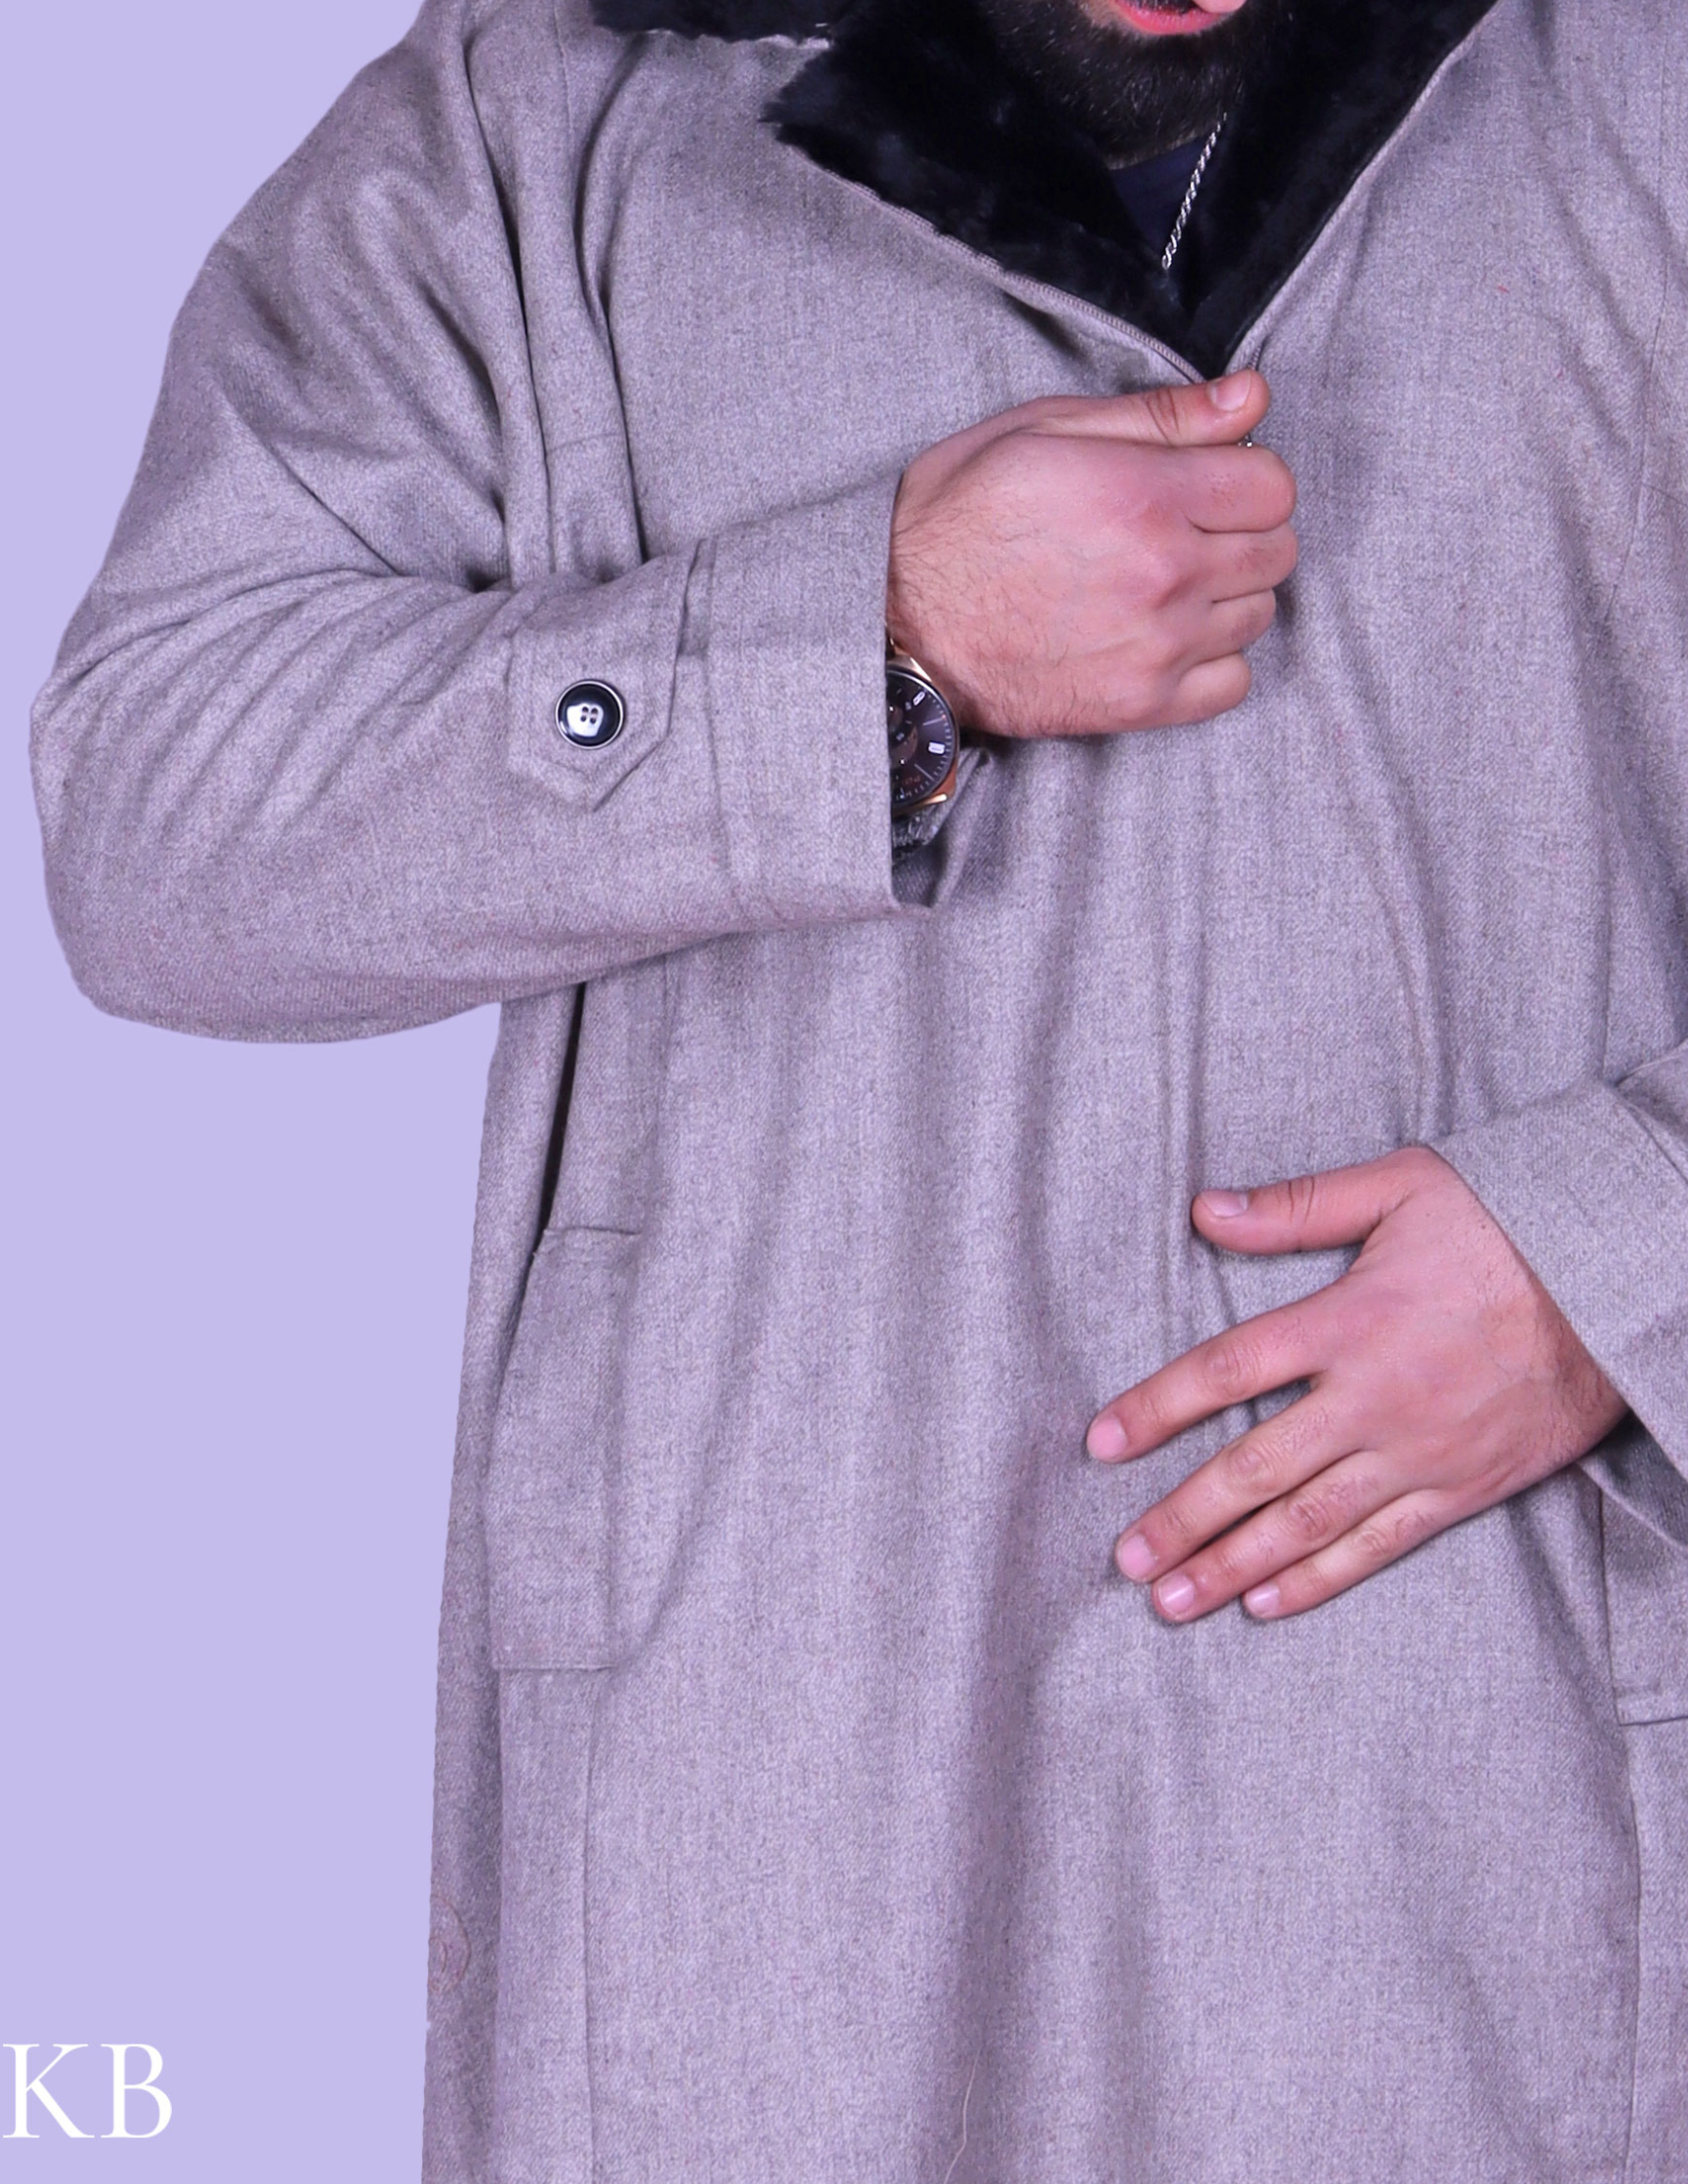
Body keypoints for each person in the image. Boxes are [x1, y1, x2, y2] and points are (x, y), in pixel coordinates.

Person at [31, 0, 1688, 2173]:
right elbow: (157, 817)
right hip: (777, 1813)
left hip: (1491, 1799)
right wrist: (866, 648)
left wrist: (1618, 1255)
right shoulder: (538, 116)